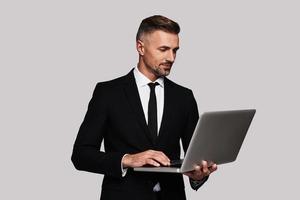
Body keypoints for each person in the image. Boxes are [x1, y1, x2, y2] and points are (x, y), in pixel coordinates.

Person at [71, 15, 217, 200]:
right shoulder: (108, 92)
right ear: (140, 47)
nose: (171, 58)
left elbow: (194, 157)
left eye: (175, 50)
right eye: (163, 49)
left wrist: (198, 176)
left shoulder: (184, 97)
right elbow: (81, 155)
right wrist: (127, 159)